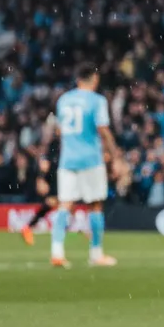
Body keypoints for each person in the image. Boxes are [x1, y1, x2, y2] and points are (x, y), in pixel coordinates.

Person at [51, 63, 122, 268]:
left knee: (65, 204)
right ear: (95, 79)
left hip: (67, 159)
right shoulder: (97, 100)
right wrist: (115, 156)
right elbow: (103, 129)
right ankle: (96, 253)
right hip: (90, 159)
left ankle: (57, 252)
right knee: (95, 205)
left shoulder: (64, 100)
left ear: (77, 79)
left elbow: (59, 130)